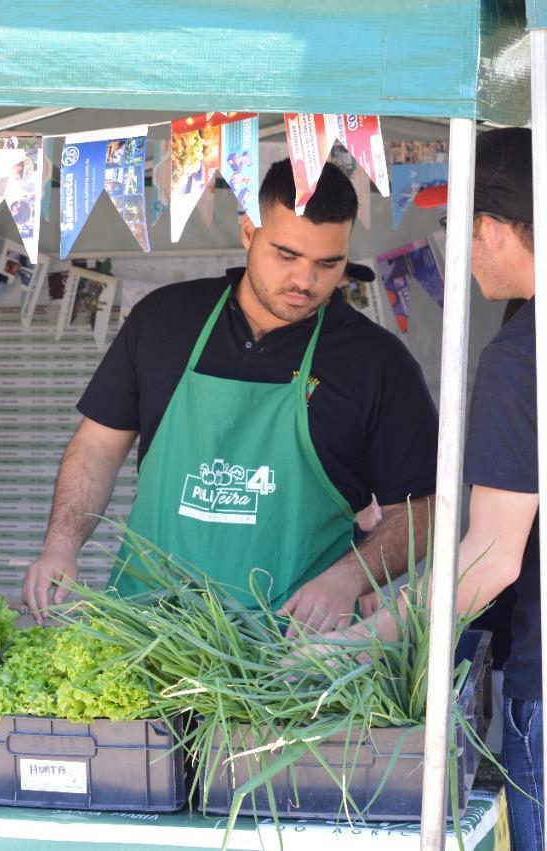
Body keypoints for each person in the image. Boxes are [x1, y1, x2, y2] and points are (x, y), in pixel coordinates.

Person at [22, 159, 438, 631]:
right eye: (287, 255)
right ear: (248, 233)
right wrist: (61, 545)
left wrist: (349, 579)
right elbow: (98, 445)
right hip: (148, 632)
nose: (305, 281)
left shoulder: (377, 363)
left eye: (328, 264)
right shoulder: (163, 321)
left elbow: (422, 510)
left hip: (294, 651)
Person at [354, 128, 541, 851]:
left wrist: (360, 643)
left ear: (490, 229)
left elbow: (491, 558)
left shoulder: (520, 359)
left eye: (459, 231)